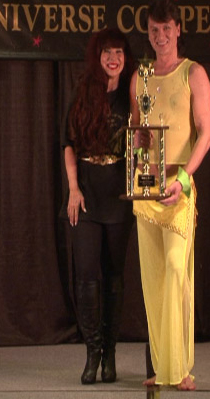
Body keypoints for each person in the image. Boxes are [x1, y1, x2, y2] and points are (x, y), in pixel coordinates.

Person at [130, 0, 210, 391]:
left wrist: (184, 177)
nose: (160, 36)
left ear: (178, 29)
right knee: (154, 279)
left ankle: (181, 368)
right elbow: (136, 130)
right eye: (153, 30)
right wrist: (137, 153)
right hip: (147, 188)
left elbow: (205, 132)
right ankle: (163, 367)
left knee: (177, 270)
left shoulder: (193, 72)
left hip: (179, 186)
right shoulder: (141, 76)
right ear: (148, 33)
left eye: (166, 29)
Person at [61, 28, 135, 385]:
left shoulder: (133, 93)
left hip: (119, 195)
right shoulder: (83, 92)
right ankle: (91, 353)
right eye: (107, 52)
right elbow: (69, 143)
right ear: (98, 56)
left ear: (125, 58)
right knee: (87, 275)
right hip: (87, 194)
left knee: (114, 277)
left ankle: (110, 354)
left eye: (119, 52)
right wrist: (73, 189)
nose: (113, 58)